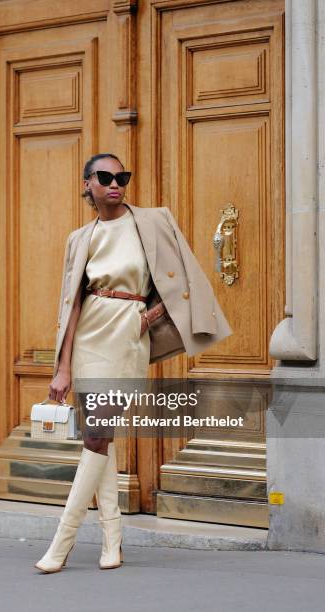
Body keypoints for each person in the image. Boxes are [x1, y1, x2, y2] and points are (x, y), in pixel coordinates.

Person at [35, 153, 231, 573]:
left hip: (126, 335)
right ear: (86, 184)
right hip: (88, 335)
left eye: (121, 176)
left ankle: (61, 542)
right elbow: (70, 307)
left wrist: (147, 318)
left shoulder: (154, 221)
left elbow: (186, 277)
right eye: (104, 177)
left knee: (96, 435)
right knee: (99, 437)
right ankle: (112, 540)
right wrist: (63, 368)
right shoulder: (79, 238)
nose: (115, 183)